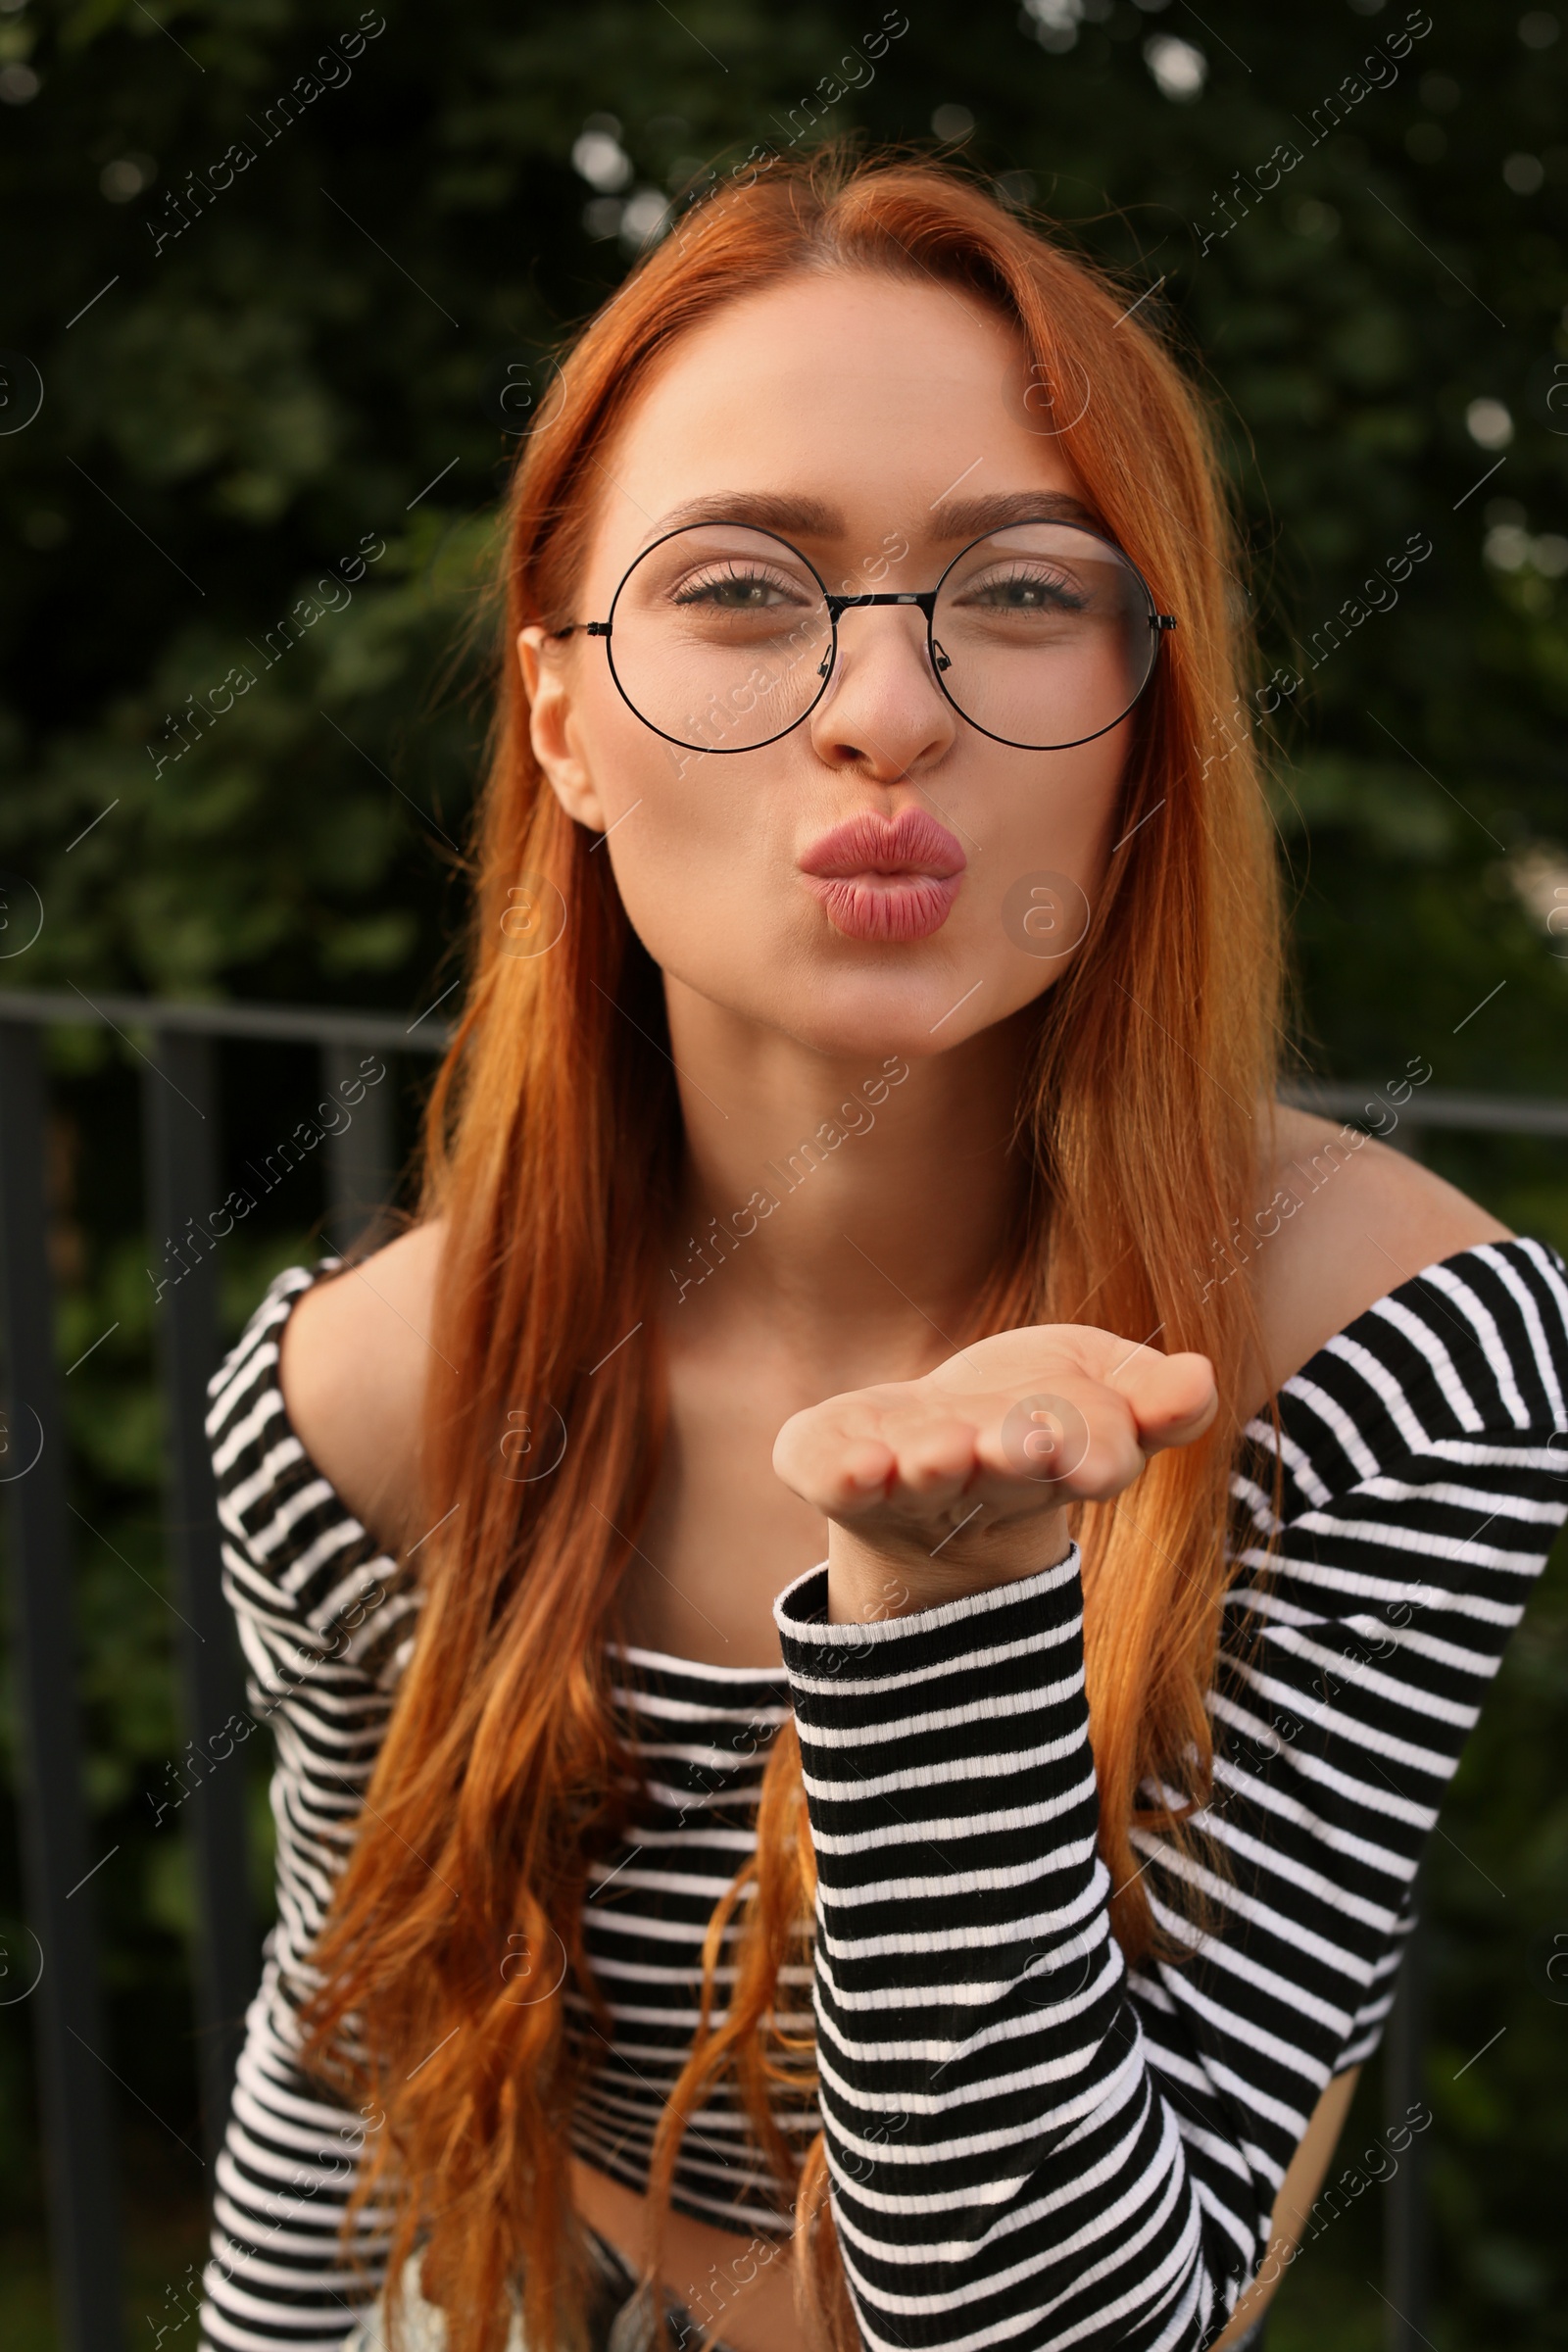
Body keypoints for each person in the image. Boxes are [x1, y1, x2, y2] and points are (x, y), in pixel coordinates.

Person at [196, 147, 1568, 2352]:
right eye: (740, 588)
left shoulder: (1395, 1362)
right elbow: (342, 2098)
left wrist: (947, 1615)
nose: (883, 707)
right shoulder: (358, 1398)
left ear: (1143, 716)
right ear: (562, 715)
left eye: (1022, 592)